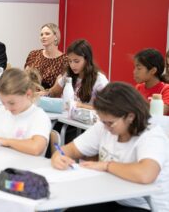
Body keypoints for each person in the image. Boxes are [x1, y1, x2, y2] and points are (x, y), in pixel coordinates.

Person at [51, 82, 169, 211]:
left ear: (130, 116)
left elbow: (146, 174)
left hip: (144, 205)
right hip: (112, 196)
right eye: (103, 122)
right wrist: (59, 156)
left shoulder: (151, 136)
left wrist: (106, 166)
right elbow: (72, 149)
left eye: (110, 123)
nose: (106, 127)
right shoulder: (105, 126)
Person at [44, 39, 108, 110]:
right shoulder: (68, 74)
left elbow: (107, 108)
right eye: (70, 61)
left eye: (76, 61)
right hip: (65, 118)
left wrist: (81, 106)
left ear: (87, 60)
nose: (72, 65)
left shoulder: (99, 80)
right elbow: (54, 92)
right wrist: (42, 94)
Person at [24, 23, 68, 89]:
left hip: (50, 96)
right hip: (30, 92)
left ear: (56, 36)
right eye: (41, 34)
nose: (43, 36)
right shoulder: (33, 54)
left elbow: (60, 85)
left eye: (47, 34)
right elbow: (24, 77)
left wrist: (44, 93)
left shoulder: (64, 59)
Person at [134, 48, 169, 115]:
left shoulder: (166, 89)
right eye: (135, 67)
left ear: (153, 70)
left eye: (139, 68)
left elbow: (158, 113)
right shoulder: (138, 88)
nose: (134, 72)